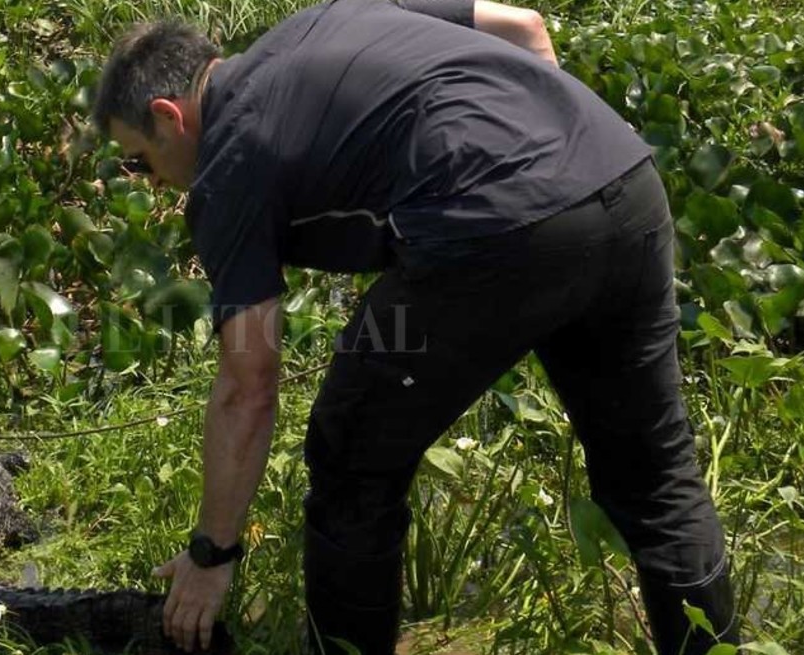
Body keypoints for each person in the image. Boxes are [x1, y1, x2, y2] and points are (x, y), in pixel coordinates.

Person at [91, 1, 739, 653]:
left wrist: (212, 553)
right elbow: (525, 27)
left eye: (139, 161)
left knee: (350, 455)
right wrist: (557, 165)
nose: (151, 184)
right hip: (622, 175)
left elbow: (247, 385)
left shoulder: (228, 166)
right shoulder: (334, 14)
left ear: (169, 117)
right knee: (654, 477)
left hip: (491, 231)